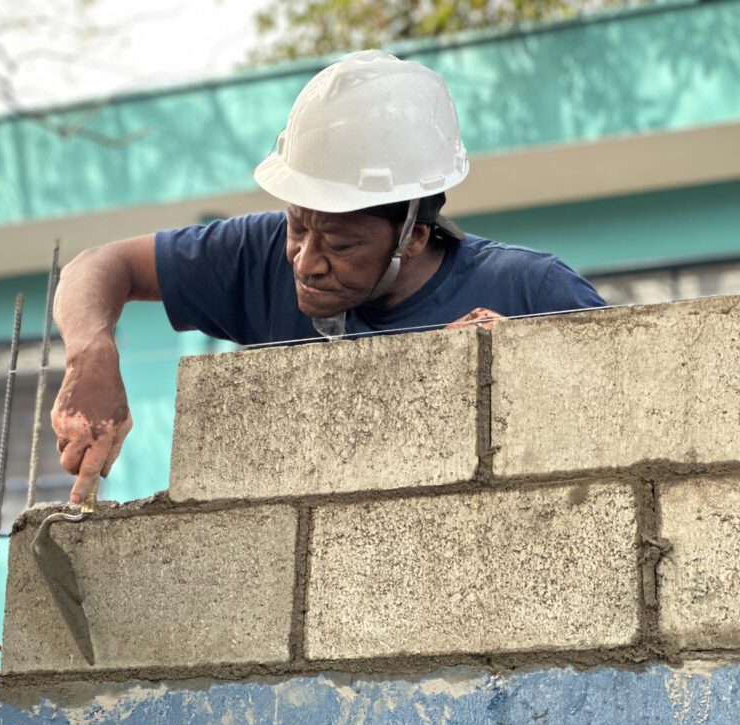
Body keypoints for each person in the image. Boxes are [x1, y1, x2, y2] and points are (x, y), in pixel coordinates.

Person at [51, 50, 604, 504]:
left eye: (340, 244)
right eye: (298, 226)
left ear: (413, 234)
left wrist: (518, 380)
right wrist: (91, 353)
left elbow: (628, 418)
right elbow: (99, 267)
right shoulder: (264, 252)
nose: (306, 259)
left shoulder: (530, 291)